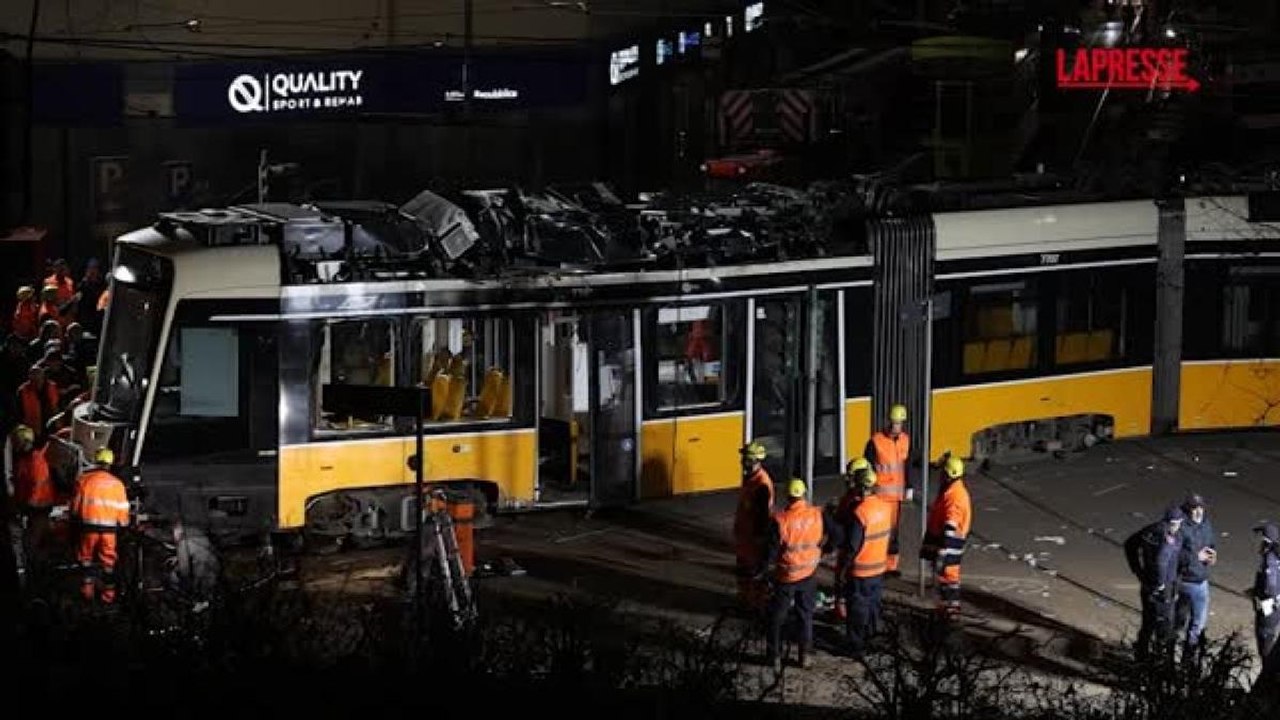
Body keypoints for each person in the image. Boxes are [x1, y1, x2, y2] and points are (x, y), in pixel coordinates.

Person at [762, 478, 827, 671]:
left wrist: (761, 571)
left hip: (786, 576)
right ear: (804, 494)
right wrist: (824, 550)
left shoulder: (781, 521)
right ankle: (804, 656)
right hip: (808, 573)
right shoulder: (816, 514)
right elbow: (835, 534)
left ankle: (774, 656)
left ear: (788, 496)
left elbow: (771, 552)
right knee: (805, 616)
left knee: (777, 617)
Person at [840, 462, 892, 654]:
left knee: (857, 610)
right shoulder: (885, 508)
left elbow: (853, 545)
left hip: (861, 570)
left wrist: (845, 567)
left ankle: (855, 646)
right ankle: (872, 640)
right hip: (878, 569)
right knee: (873, 607)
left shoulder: (860, 513)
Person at [70, 447, 130, 604]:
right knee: (108, 563)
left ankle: (87, 593)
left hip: (88, 528)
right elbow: (123, 509)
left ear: (96, 461)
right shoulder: (117, 484)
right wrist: (124, 525)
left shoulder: (84, 480)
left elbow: (75, 506)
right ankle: (108, 597)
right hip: (109, 531)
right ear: (110, 464)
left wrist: (74, 518)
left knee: (86, 560)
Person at [1125, 505, 1184, 661]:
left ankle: (1141, 655)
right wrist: (1160, 584)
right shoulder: (1169, 539)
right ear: (1176, 522)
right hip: (1163, 586)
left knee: (1148, 622)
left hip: (1147, 583)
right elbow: (1161, 561)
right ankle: (1162, 660)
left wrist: (1137, 570)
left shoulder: (1150, 530)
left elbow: (1129, 544)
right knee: (1165, 624)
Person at [864, 403, 917, 576]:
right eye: (894, 423)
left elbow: (907, 465)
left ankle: (891, 566)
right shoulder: (876, 441)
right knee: (880, 532)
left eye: (899, 423)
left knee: (894, 533)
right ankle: (878, 564)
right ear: (889, 422)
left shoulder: (905, 440)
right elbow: (868, 466)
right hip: (879, 496)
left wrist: (909, 485)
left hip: (896, 497)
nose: (897, 427)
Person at [919, 455, 972, 620]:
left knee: (948, 577)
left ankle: (950, 612)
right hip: (947, 542)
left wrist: (943, 550)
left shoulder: (954, 496)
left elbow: (950, 524)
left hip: (949, 543)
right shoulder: (953, 491)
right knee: (946, 578)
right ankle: (946, 609)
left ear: (948, 475)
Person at [733, 441, 774, 612]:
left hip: (753, 539)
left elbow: (762, 516)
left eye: (748, 460)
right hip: (745, 538)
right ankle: (746, 601)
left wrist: (758, 539)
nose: (744, 463)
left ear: (757, 461)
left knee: (753, 574)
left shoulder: (761, 484)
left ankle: (755, 606)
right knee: (744, 572)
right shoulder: (751, 479)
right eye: (744, 459)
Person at [831, 457, 873, 621]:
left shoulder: (858, 502)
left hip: (853, 551)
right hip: (851, 548)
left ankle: (844, 614)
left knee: (845, 583)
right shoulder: (853, 496)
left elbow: (847, 523)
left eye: (851, 476)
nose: (848, 480)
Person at [1176, 493, 1217, 652]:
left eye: (1200, 508)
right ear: (1188, 509)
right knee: (1180, 620)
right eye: (1194, 508)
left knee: (1197, 622)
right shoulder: (1182, 527)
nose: (1198, 511)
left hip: (1201, 581)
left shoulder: (1206, 524)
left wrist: (1213, 555)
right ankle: (1170, 649)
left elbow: (1211, 543)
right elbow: (1174, 553)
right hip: (1185, 581)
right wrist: (1194, 557)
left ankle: (1189, 656)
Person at [169, 519, 221, 607]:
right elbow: (201, 553)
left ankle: (193, 604)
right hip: (214, 572)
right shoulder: (201, 538)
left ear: (178, 531)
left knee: (174, 577)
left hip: (201, 578)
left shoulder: (183, 544)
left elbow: (184, 570)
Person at [1253, 521, 1280, 670]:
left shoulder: (1268, 561)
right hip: (1275, 611)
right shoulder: (1276, 556)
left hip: (1268, 613)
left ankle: (1267, 682)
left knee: (1265, 648)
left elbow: (1270, 589)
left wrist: (1260, 604)